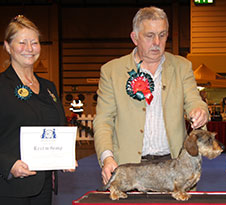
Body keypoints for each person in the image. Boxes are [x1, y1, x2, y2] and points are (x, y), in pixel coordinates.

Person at [93, 6, 209, 185]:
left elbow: (194, 100)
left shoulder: (182, 66)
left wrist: (199, 110)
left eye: (162, 35)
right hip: (129, 168)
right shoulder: (111, 71)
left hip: (174, 166)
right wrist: (107, 158)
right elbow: (103, 120)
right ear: (135, 38)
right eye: (149, 35)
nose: (157, 42)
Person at [0, 15, 76, 204]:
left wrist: (65, 156)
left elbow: (58, 127)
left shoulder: (49, 87)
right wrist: (8, 164)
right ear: (8, 47)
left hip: (43, 186)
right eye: (22, 42)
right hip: (9, 187)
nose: (29, 49)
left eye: (34, 42)